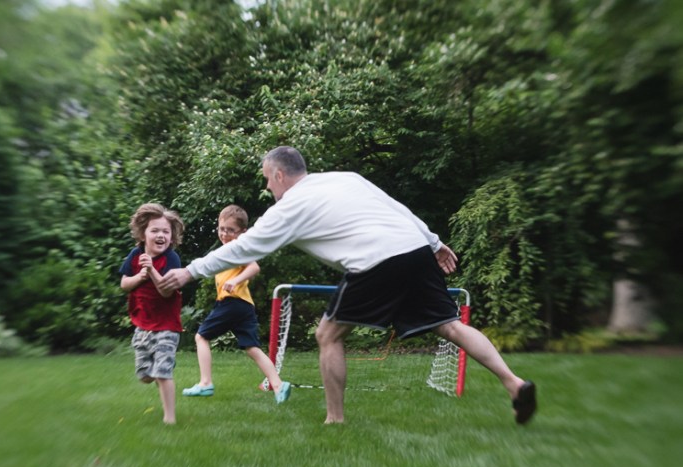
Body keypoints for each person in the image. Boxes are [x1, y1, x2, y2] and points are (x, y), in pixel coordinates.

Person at [157, 146, 537, 425]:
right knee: (450, 326)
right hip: (414, 249)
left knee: (328, 334)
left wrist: (190, 272)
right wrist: (434, 242)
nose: (268, 187)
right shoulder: (345, 178)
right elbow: (396, 207)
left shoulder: (290, 206)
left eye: (267, 180)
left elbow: (244, 247)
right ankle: (514, 383)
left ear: (279, 175)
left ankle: (335, 420)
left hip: (375, 260)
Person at [182, 205, 292, 403]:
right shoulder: (226, 251)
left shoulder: (239, 249)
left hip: (232, 302)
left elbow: (254, 267)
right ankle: (278, 385)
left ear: (243, 232)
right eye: (222, 229)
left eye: (231, 230)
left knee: (201, 337)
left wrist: (235, 280)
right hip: (244, 305)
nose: (225, 234)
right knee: (252, 347)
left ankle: (205, 383)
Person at [120, 203, 185, 425]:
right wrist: (141, 275)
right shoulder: (135, 255)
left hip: (167, 325)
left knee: (163, 372)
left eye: (165, 231)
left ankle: (170, 419)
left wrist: (152, 270)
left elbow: (167, 291)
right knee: (145, 376)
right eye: (155, 230)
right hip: (143, 324)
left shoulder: (171, 258)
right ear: (143, 234)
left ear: (171, 236)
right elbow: (124, 284)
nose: (161, 235)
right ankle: (159, 375)